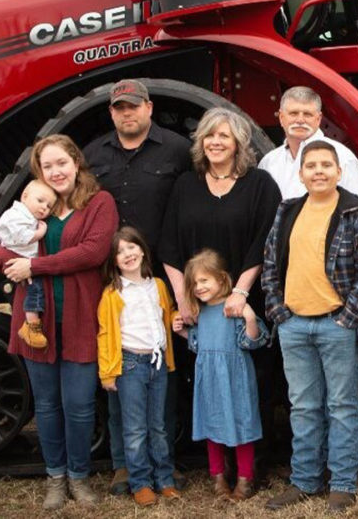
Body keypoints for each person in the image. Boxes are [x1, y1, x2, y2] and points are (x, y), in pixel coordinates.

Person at [0, 134, 118, 511]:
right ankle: (55, 477)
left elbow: (93, 253)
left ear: (76, 162)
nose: (56, 171)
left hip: (80, 316)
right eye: (47, 166)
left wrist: (34, 265)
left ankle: (79, 477)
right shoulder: (34, 205)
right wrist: (6, 262)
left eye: (61, 163)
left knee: (79, 404)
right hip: (36, 322)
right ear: (39, 172)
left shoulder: (99, 202)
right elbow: (0, 246)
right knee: (46, 405)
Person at [262, 140, 358, 513]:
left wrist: (348, 317)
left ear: (338, 171)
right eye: (311, 165)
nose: (318, 171)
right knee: (302, 406)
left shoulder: (356, 213)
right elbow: (270, 264)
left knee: (343, 405)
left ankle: (343, 483)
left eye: (325, 165)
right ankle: (304, 480)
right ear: (300, 174)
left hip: (337, 324)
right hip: (293, 325)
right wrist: (277, 310)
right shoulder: (287, 212)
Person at [157, 107, 282, 474]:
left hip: (245, 304)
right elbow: (168, 246)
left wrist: (240, 293)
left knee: (252, 384)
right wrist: (184, 299)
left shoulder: (260, 185)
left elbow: (264, 242)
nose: (215, 142)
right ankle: (214, 464)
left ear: (239, 142)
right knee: (206, 382)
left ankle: (251, 466)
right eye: (209, 135)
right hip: (199, 309)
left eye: (224, 135)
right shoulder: (185, 185)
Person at [84, 78, 192, 495]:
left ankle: (165, 460)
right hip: (111, 280)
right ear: (112, 113)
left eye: (133, 106)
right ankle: (123, 465)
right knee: (117, 368)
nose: (127, 113)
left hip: (163, 277)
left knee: (163, 369)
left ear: (149, 108)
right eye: (119, 108)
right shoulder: (95, 155)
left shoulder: (177, 150)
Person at [172, 249, 269, 501]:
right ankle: (218, 478)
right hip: (210, 381)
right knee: (212, 425)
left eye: (204, 280)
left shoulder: (233, 308)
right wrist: (181, 331)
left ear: (222, 279)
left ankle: (245, 480)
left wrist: (248, 315)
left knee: (242, 426)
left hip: (235, 379)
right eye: (194, 283)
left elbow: (253, 341)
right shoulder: (200, 314)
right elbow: (198, 344)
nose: (199, 287)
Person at [97, 227, 179, 507]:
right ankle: (140, 483)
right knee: (134, 429)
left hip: (157, 362)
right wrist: (108, 372)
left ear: (142, 249)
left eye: (131, 247)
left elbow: (166, 315)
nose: (127, 254)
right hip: (131, 364)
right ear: (114, 261)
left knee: (158, 425)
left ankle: (164, 479)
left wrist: (177, 319)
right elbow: (106, 334)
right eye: (120, 252)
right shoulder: (113, 293)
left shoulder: (157, 285)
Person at [258, 85, 358, 198]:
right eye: (293, 113)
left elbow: (355, 211)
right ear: (281, 117)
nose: (300, 120)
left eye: (307, 114)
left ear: (318, 119)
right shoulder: (269, 162)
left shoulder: (343, 158)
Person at [0, 179, 57, 349]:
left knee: (35, 289)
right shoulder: (16, 215)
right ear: (24, 196)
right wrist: (40, 232)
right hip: (18, 256)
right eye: (40, 201)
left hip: (25, 259)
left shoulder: (27, 216)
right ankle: (31, 326)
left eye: (49, 206)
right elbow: (23, 237)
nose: (44, 207)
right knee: (35, 289)